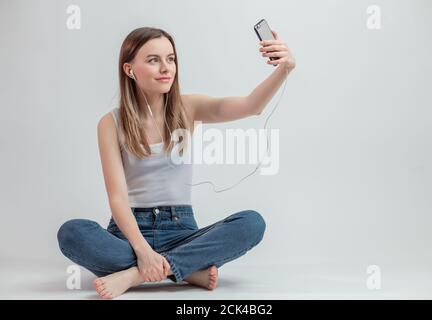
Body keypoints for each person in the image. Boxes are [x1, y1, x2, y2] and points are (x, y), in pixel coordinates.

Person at [57, 27, 296, 299]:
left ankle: (137, 275)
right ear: (129, 69)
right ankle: (185, 269)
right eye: (153, 60)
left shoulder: (187, 108)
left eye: (170, 59)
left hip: (181, 230)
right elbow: (118, 198)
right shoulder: (110, 123)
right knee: (72, 232)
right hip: (129, 234)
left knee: (252, 223)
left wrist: (284, 69)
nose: (166, 68)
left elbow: (252, 106)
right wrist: (143, 250)